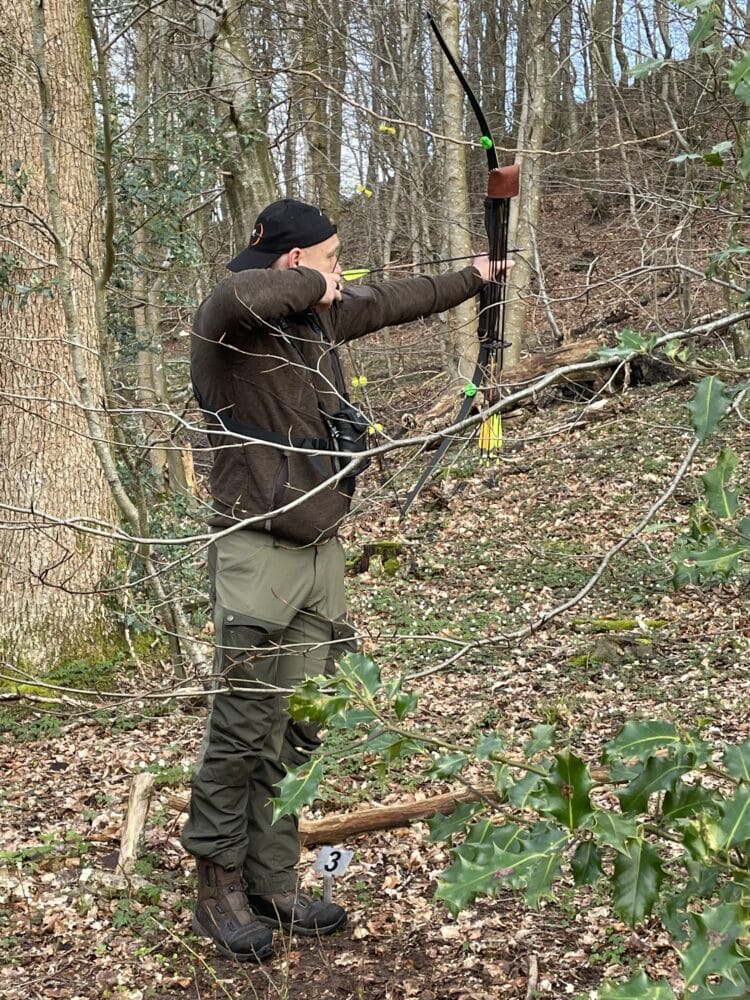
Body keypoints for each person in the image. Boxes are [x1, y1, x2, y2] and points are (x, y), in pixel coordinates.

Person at [183, 197, 501, 961]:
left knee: (297, 725)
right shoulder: (230, 323)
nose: (341, 274)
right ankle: (216, 885)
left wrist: (475, 278)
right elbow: (242, 293)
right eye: (330, 259)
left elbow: (389, 300)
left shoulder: (312, 319)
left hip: (320, 551)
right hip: (257, 550)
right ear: (295, 262)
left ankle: (271, 878)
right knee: (241, 730)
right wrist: (314, 284)